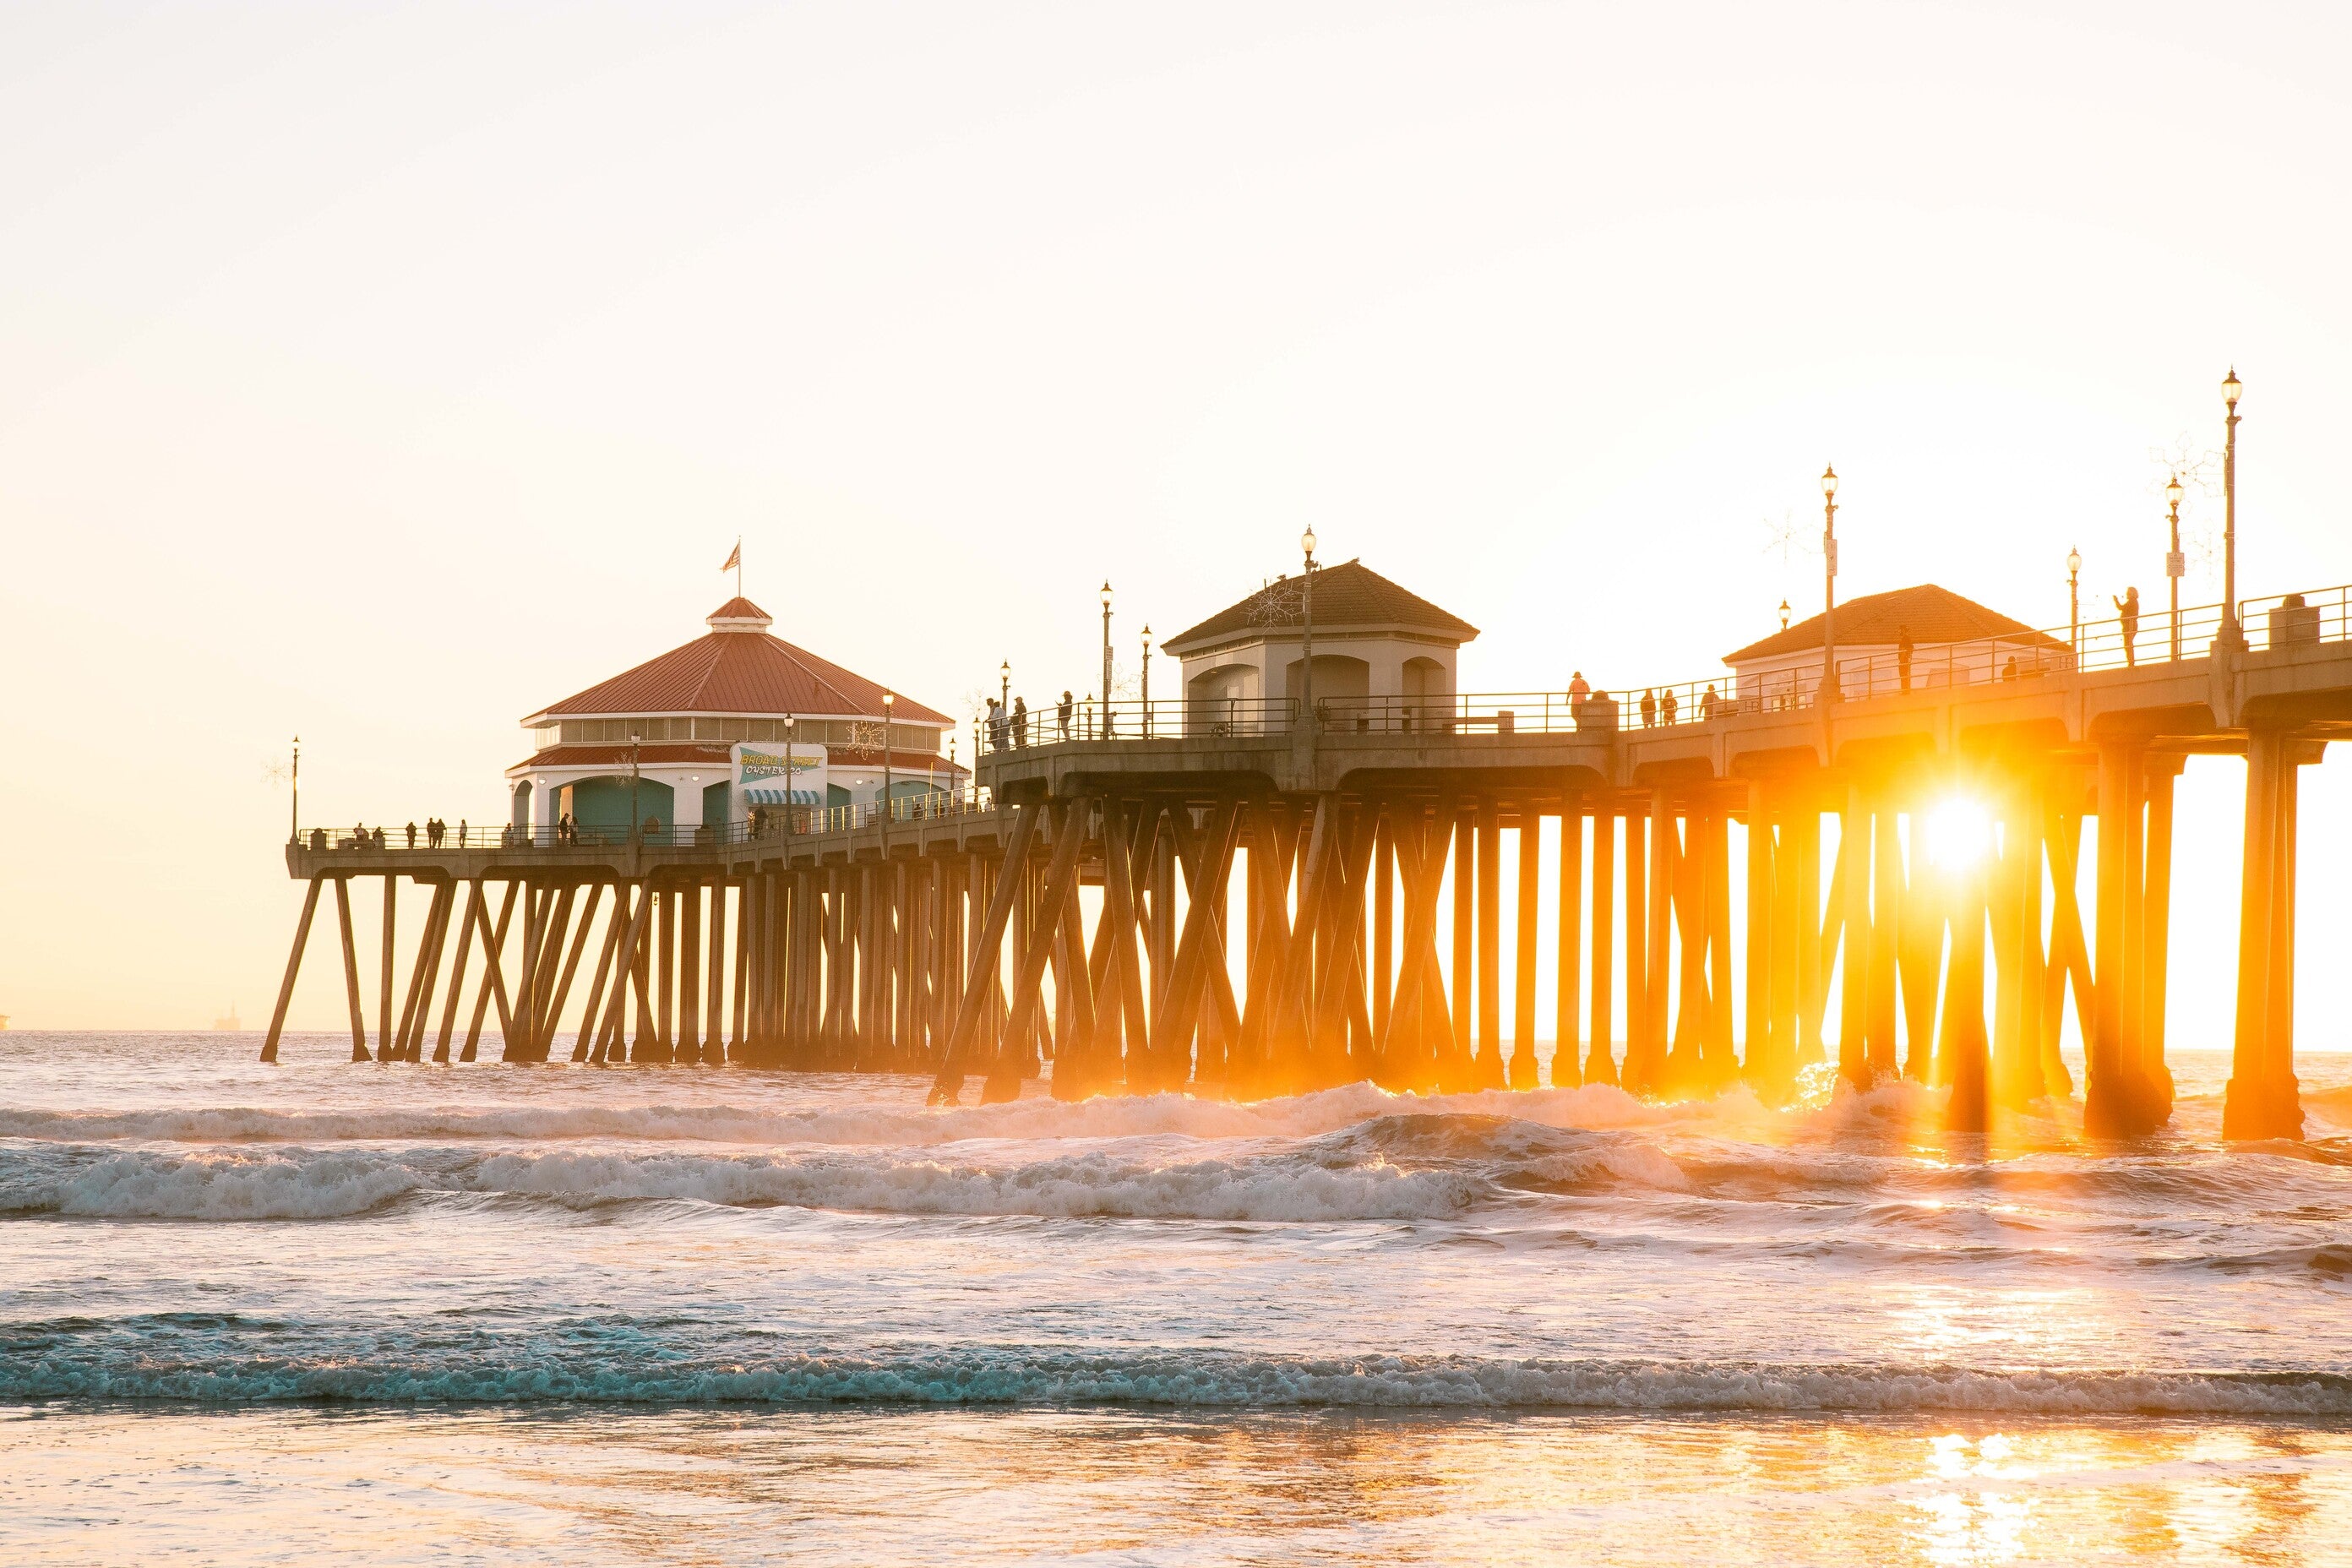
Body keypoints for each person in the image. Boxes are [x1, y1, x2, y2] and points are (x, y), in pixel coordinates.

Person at [2114, 586, 2141, 667]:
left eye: (2128, 593)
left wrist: (2116, 600)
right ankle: (2131, 661)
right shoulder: (2133, 601)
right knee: (2128, 644)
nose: (2126, 594)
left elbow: (2121, 608)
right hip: (2129, 625)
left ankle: (2131, 662)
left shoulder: (2132, 601)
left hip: (2130, 626)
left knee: (2128, 644)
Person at [1897, 625, 1915, 693]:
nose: (1899, 631)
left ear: (1903, 630)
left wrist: (1902, 660)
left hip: (1904, 660)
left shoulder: (1906, 638)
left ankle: (1905, 690)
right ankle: (1904, 690)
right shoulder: (1904, 638)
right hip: (1903, 660)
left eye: (1900, 630)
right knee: (1903, 675)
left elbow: (1908, 648)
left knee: (1904, 675)